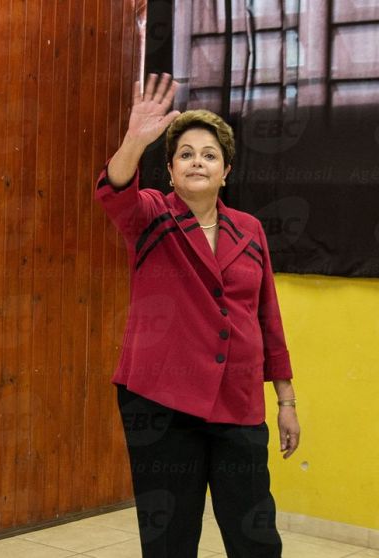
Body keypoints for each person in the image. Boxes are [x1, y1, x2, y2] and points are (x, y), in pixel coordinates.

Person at [95, 73, 301, 558]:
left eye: (209, 154)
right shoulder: (149, 217)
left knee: (256, 537)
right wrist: (134, 140)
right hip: (161, 403)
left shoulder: (249, 229)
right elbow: (113, 191)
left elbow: (267, 316)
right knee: (169, 539)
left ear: (226, 170)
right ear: (169, 169)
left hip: (238, 400)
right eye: (185, 153)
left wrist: (286, 398)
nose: (197, 162)